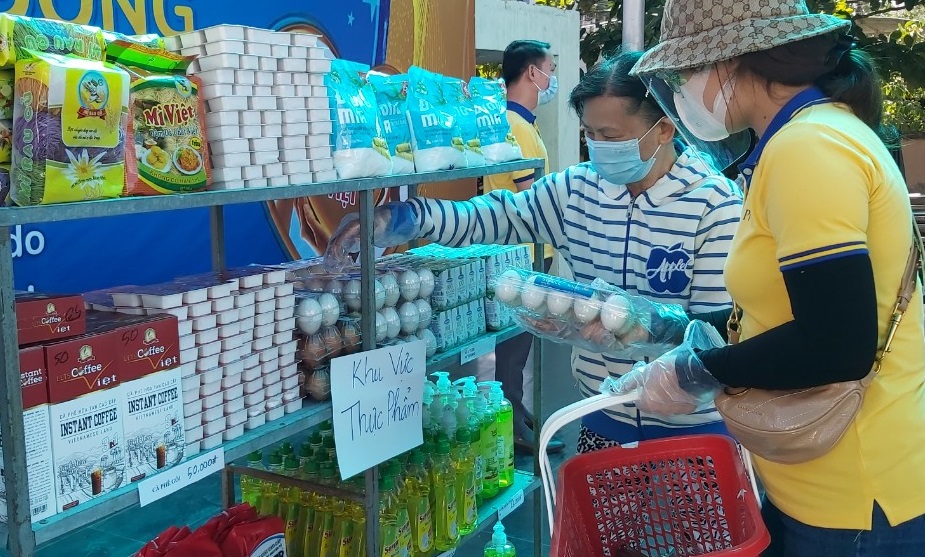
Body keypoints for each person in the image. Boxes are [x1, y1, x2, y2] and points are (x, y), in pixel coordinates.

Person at [620, 0, 925, 555]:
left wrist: (697, 372)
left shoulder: (808, 148)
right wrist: (672, 328)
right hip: (820, 483)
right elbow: (787, 306)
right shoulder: (810, 137)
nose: (682, 93)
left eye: (686, 74)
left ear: (732, 62)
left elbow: (837, 343)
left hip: (853, 500)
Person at [325, 51, 742, 451]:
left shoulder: (713, 206)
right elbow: (496, 216)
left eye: (611, 136)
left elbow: (720, 333)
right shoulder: (577, 190)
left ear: (664, 129)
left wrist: (644, 331)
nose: (599, 147)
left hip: (692, 434)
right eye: (590, 134)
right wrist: (407, 218)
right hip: (601, 419)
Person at [484, 39, 560, 454]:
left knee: (520, 342)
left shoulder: (518, 123)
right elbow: (534, 199)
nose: (553, 78)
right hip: (521, 254)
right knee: (514, 346)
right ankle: (511, 422)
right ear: (533, 72)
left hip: (525, 251)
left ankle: (517, 412)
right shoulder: (516, 126)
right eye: (551, 69)